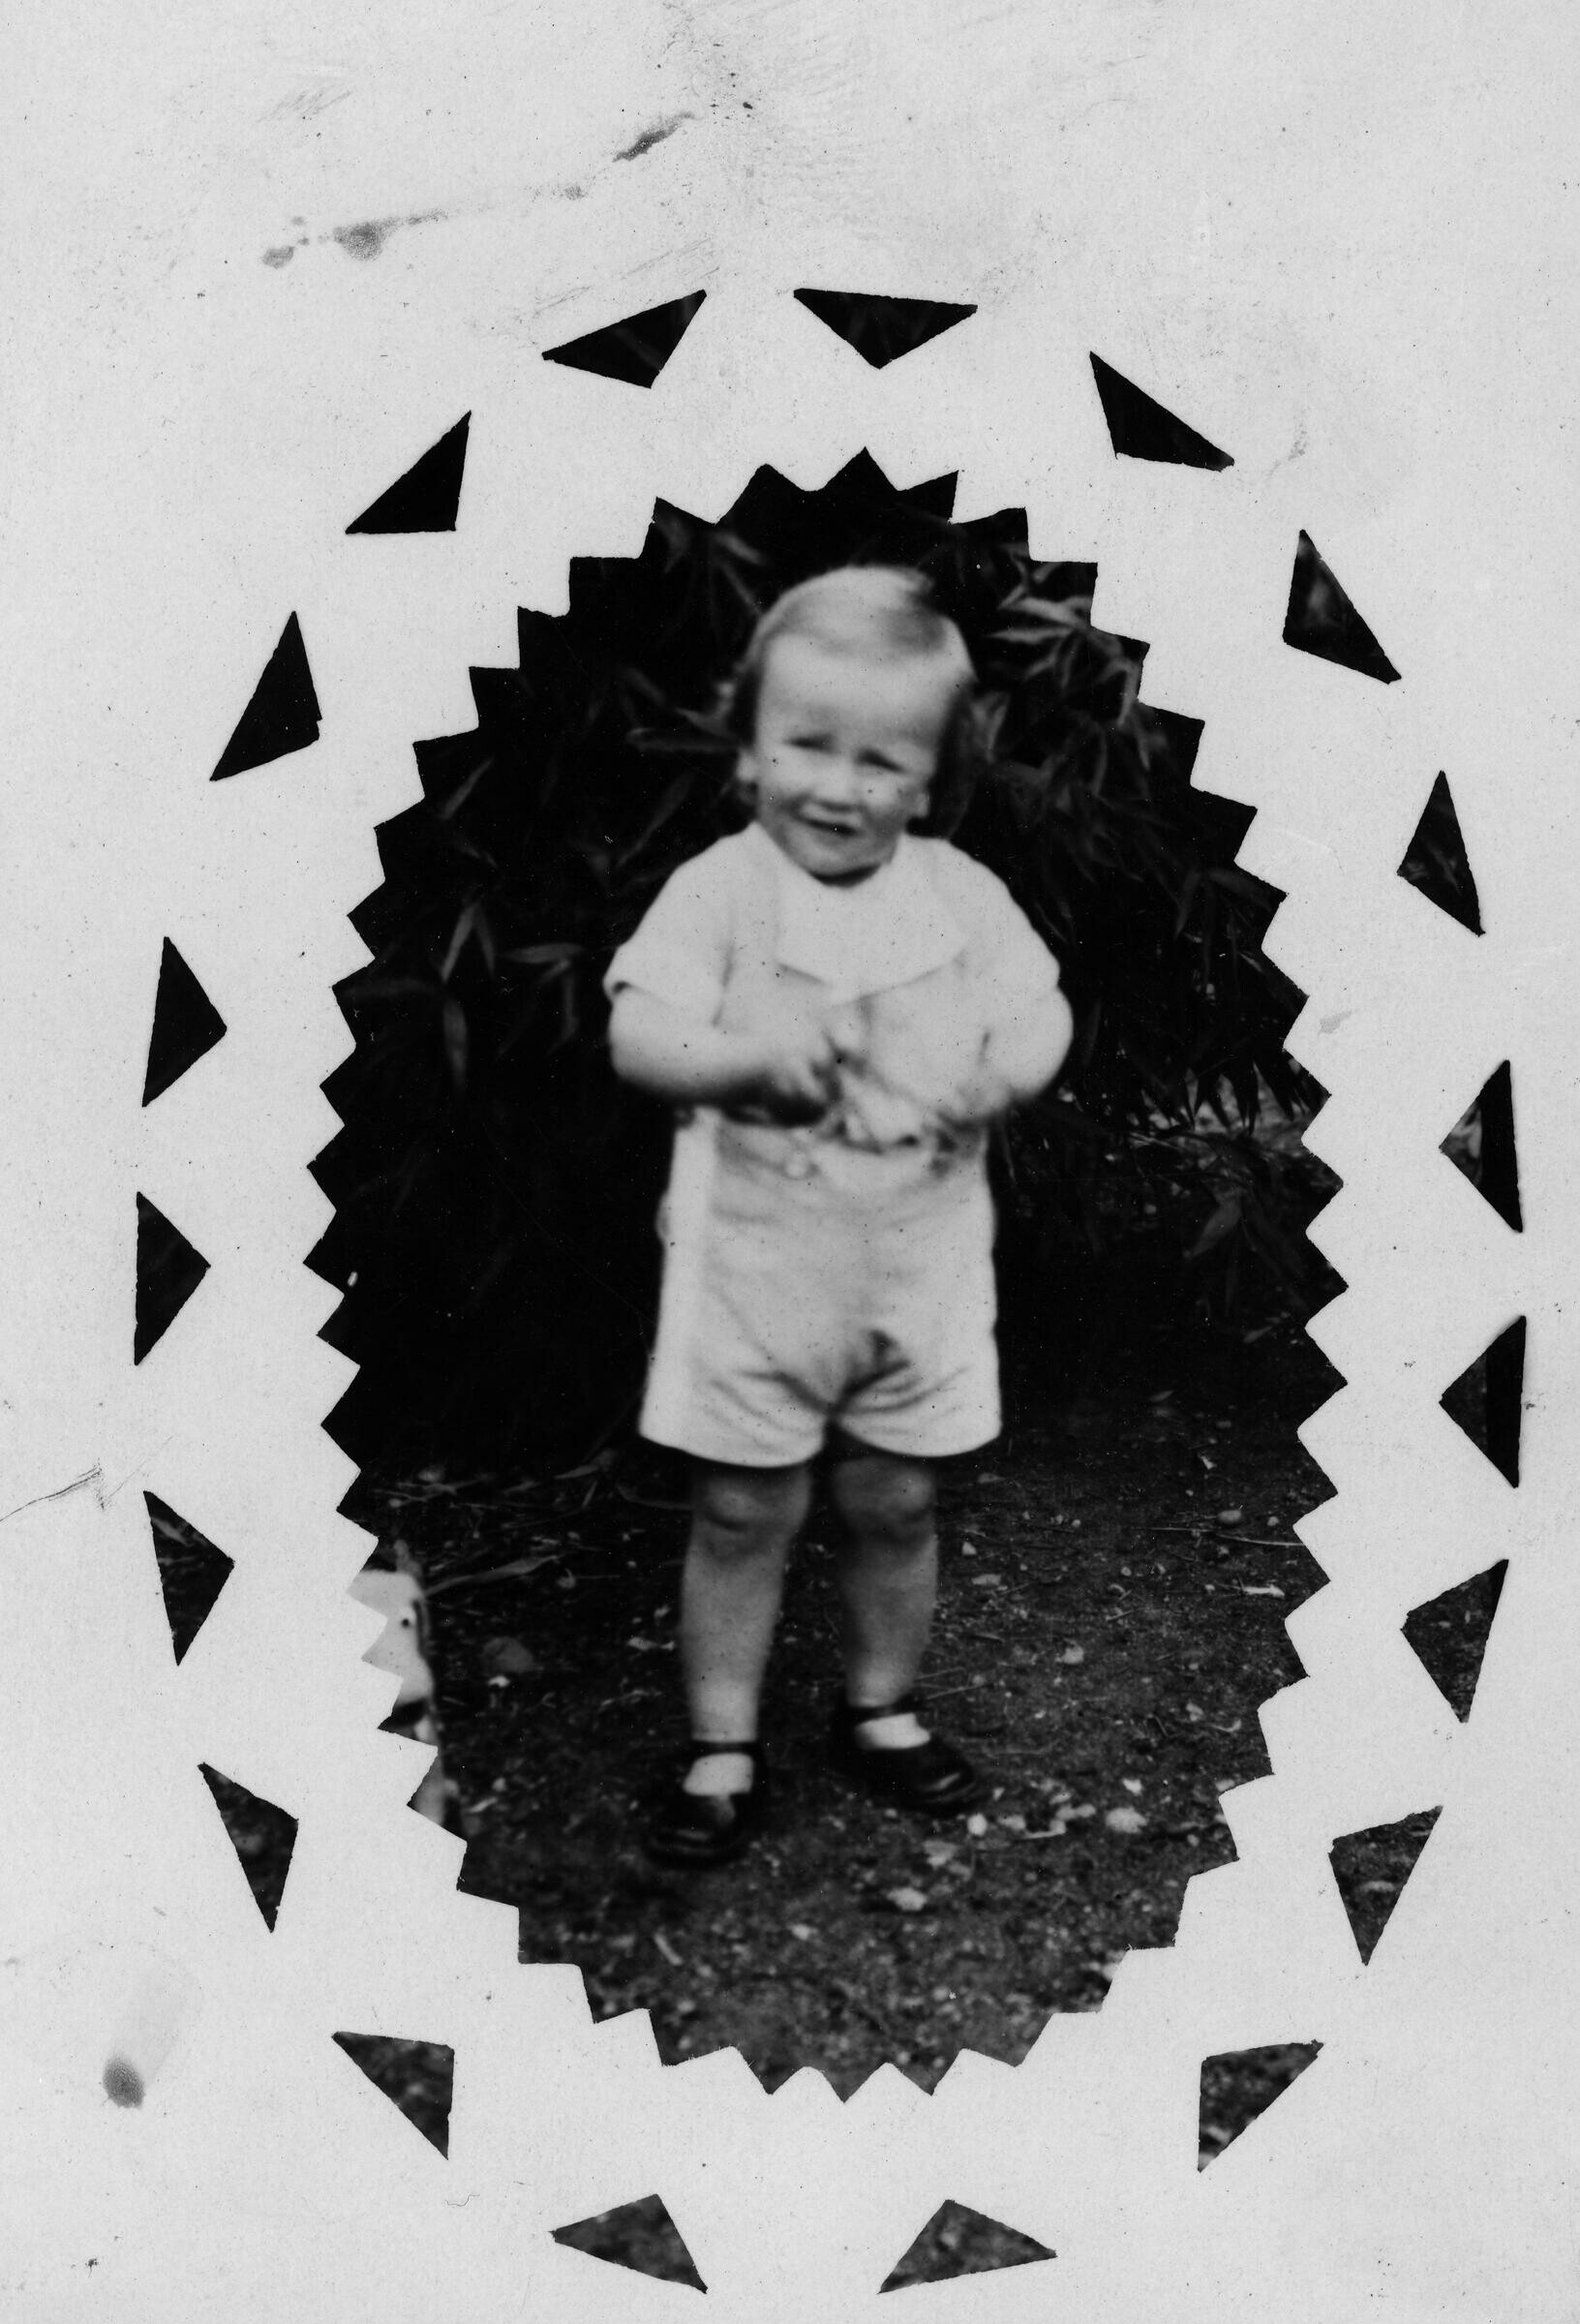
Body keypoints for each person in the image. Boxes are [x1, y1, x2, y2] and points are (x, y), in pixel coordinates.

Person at [605, 566, 1073, 1865]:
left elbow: (1041, 1009)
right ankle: (720, 1742)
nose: (840, 784)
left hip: (914, 1279)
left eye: (882, 760)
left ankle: (880, 1707)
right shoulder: (722, 892)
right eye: (808, 744)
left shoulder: (959, 897)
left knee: (895, 1499)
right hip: (757, 1278)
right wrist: (741, 1061)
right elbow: (639, 1032)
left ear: (926, 783)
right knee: (743, 1510)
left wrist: (1002, 1073)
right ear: (750, 750)